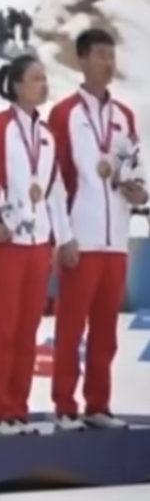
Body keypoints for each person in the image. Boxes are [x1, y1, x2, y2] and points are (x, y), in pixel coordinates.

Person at [0, 54, 73, 437]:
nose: (44, 84)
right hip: (7, 245)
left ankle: (19, 411)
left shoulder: (48, 136)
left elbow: (56, 192)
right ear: (16, 85)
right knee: (5, 330)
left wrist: (63, 238)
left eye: (45, 78)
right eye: (37, 78)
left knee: (28, 332)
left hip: (39, 246)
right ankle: (1, 412)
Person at [47, 29, 144, 430]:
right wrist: (63, 236)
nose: (108, 62)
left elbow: (134, 167)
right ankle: (64, 405)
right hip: (81, 237)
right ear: (82, 59)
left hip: (116, 238)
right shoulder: (64, 114)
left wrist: (139, 190)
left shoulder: (125, 116)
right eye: (101, 54)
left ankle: (98, 405)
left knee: (106, 330)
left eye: (111, 55)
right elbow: (54, 181)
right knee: (71, 327)